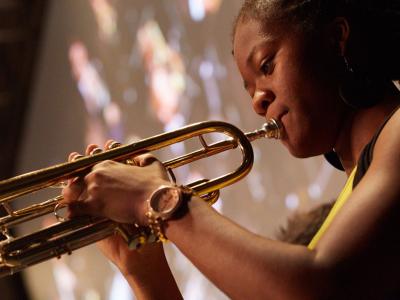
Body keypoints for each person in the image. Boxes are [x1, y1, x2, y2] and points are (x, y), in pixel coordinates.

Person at [62, 0, 400, 298]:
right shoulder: (344, 211)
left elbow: (322, 286)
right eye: (250, 88)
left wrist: (158, 200)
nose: (257, 102)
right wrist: (144, 270)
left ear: (335, 39)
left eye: (267, 66)